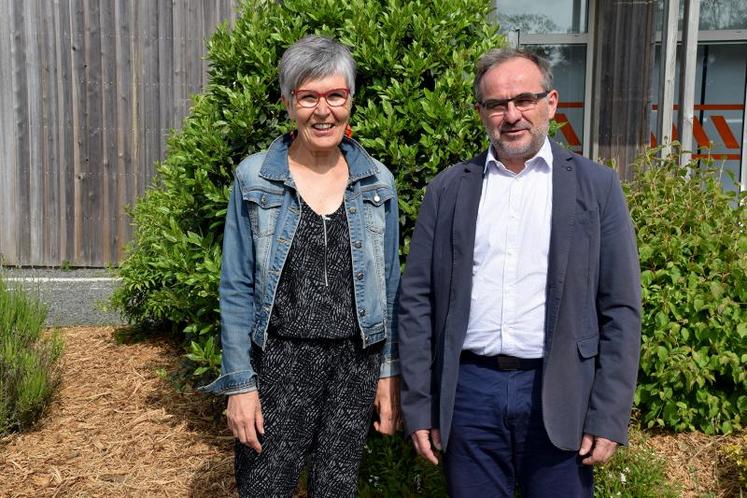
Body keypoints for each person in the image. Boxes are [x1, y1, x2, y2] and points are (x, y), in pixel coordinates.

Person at [398, 47, 641, 497]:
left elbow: (621, 308)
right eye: (497, 104)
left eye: (524, 100)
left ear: (550, 103)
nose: (512, 115)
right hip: (469, 395)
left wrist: (608, 415)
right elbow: (416, 302)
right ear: (480, 112)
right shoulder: (448, 189)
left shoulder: (597, 187)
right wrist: (419, 407)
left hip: (560, 391)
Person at [199, 35, 401, 497]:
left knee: (337, 487)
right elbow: (235, 288)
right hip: (279, 363)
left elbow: (389, 286)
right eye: (308, 97)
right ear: (289, 103)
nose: (323, 110)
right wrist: (239, 385)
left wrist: (388, 374)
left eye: (335, 95)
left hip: (356, 363)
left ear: (350, 101)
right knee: (264, 487)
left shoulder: (377, 183)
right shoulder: (255, 179)